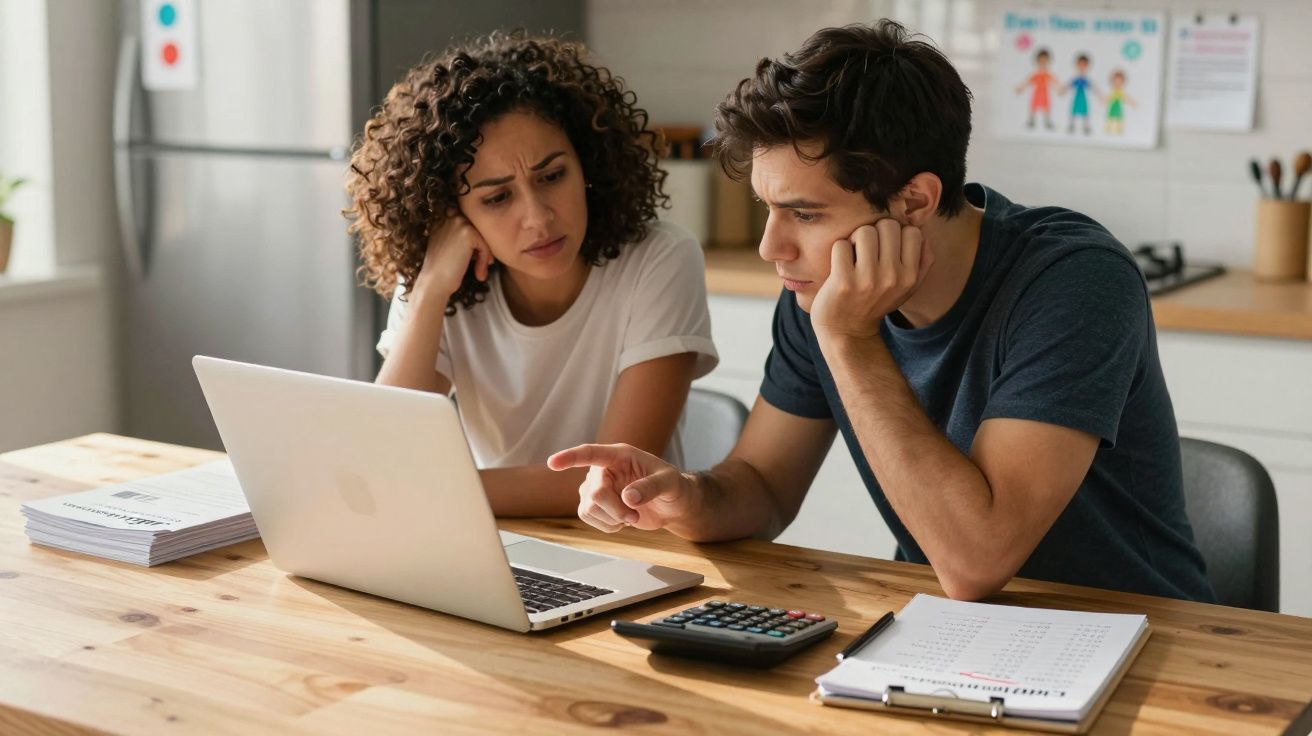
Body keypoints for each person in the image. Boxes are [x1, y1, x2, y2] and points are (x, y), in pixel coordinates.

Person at [550, 21, 1215, 603]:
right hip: (954, 638)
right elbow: (763, 486)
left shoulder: (1073, 282)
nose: (771, 247)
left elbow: (977, 560)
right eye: (768, 207)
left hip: (1142, 643)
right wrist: (682, 496)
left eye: (804, 214)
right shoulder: (816, 283)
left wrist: (846, 337)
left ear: (915, 202)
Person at [345, 32, 718, 516]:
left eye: (551, 176)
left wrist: (432, 489)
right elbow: (384, 447)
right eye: (497, 198)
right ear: (451, 214)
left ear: (587, 162)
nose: (538, 218)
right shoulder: (438, 276)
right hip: (492, 541)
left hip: (633, 547)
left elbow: (614, 483)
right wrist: (430, 290)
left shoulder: (660, 259)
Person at [1015, 47, 1056, 131]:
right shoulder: (1036, 74)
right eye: (1041, 60)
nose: (1043, 63)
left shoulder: (1047, 74)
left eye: (1045, 61)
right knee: (1033, 107)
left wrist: (1059, 89)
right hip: (1037, 93)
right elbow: (1028, 82)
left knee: (1046, 108)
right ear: (1037, 61)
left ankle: (1047, 122)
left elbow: (1054, 82)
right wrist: (1021, 88)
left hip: (1044, 93)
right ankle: (1031, 121)